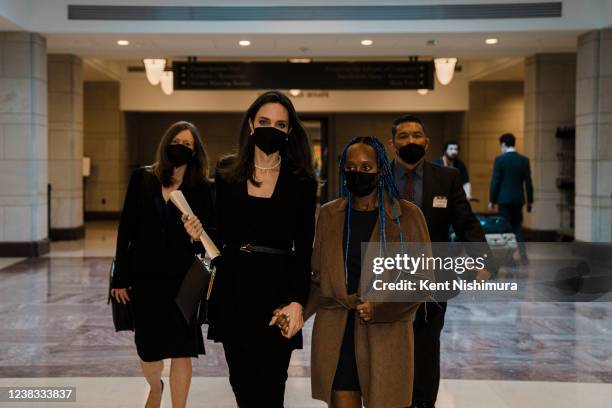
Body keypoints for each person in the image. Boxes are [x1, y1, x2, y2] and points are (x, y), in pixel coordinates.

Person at [184, 90, 317, 407]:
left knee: (272, 386)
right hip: (234, 290)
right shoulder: (228, 171)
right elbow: (219, 233)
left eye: (281, 124)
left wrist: (298, 300)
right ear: (251, 125)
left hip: (278, 294)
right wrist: (197, 233)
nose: (273, 129)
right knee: (242, 385)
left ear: (289, 131)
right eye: (265, 121)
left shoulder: (301, 179)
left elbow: (304, 246)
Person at [304, 136, 433, 408]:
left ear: (381, 169)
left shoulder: (407, 216)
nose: (357, 174)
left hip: (385, 333)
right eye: (350, 168)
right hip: (337, 333)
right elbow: (317, 278)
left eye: (366, 168)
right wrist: (297, 313)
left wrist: (380, 308)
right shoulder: (329, 214)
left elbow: (423, 281)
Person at [110, 121, 215, 408]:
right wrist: (119, 277)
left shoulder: (203, 188)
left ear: (196, 153)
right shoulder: (143, 179)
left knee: (183, 350)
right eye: (177, 142)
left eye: (188, 145)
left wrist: (198, 233)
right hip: (146, 278)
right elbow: (126, 229)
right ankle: (155, 386)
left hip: (185, 279)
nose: (182, 147)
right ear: (167, 144)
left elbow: (209, 238)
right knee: (148, 351)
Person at [388, 115, 490, 408]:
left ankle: (422, 403)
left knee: (426, 347)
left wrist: (482, 260)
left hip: (433, 280)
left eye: (417, 135)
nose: (411, 141)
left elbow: (465, 222)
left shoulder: (447, 178)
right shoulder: (378, 179)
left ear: (427, 141)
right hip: (385, 278)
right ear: (393, 142)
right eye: (404, 136)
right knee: (390, 347)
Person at [488, 133, 533, 264]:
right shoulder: (524, 160)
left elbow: (495, 181)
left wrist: (492, 200)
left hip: (504, 200)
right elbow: (528, 183)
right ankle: (523, 254)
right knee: (517, 226)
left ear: (503, 144)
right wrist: (530, 201)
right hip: (518, 200)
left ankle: (509, 257)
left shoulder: (500, 160)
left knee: (506, 227)